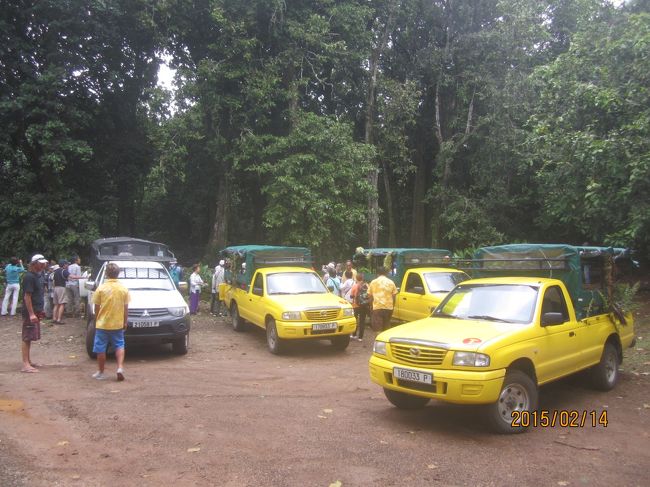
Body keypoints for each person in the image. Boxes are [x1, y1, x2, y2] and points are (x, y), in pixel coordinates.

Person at [91, 263, 130, 381]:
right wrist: (125, 321)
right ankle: (120, 367)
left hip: (102, 324)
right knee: (119, 345)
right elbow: (125, 307)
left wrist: (96, 320)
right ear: (118, 274)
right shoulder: (123, 289)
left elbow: (96, 307)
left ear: (106, 274)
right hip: (117, 323)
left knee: (100, 348)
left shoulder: (101, 288)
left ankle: (101, 372)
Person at [20, 254, 48, 372]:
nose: (43, 265)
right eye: (41, 263)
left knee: (30, 336)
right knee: (27, 337)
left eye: (44, 263)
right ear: (34, 264)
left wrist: (40, 310)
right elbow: (27, 297)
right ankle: (25, 364)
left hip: (36, 310)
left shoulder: (39, 276)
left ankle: (28, 361)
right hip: (29, 311)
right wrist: (31, 314)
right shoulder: (29, 277)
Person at [368, 266, 397, 332]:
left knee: (377, 329)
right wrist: (392, 306)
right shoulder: (391, 282)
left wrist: (371, 306)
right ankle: (386, 341)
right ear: (386, 273)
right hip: (388, 308)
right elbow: (394, 296)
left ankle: (379, 341)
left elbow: (370, 296)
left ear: (377, 273)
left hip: (377, 308)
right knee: (386, 327)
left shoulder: (373, 282)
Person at [350, 273, 370, 341]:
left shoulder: (355, 286)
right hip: (364, 305)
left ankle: (354, 334)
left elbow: (351, 296)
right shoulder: (367, 285)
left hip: (356, 305)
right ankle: (360, 337)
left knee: (355, 320)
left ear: (356, 278)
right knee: (362, 321)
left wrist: (354, 296)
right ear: (362, 278)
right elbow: (369, 295)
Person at [52, 260, 70, 324]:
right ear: (64, 265)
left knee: (56, 304)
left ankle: (54, 318)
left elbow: (53, 281)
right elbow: (71, 276)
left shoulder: (56, 271)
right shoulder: (64, 271)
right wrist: (82, 277)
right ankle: (59, 319)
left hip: (55, 288)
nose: (68, 265)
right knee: (62, 304)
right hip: (61, 288)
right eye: (67, 264)